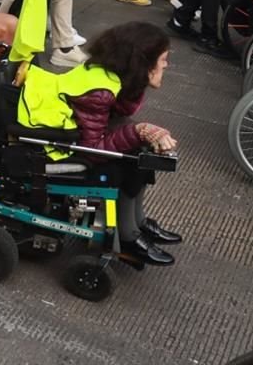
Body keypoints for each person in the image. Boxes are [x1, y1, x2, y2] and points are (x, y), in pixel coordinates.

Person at [18, 21, 181, 265]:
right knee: (126, 163)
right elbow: (93, 150)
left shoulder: (107, 73)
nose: (166, 65)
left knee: (140, 151)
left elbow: (121, 112)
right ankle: (128, 237)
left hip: (71, 133)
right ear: (143, 63)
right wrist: (141, 131)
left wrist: (141, 86)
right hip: (54, 150)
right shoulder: (99, 92)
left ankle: (137, 223)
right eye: (163, 59)